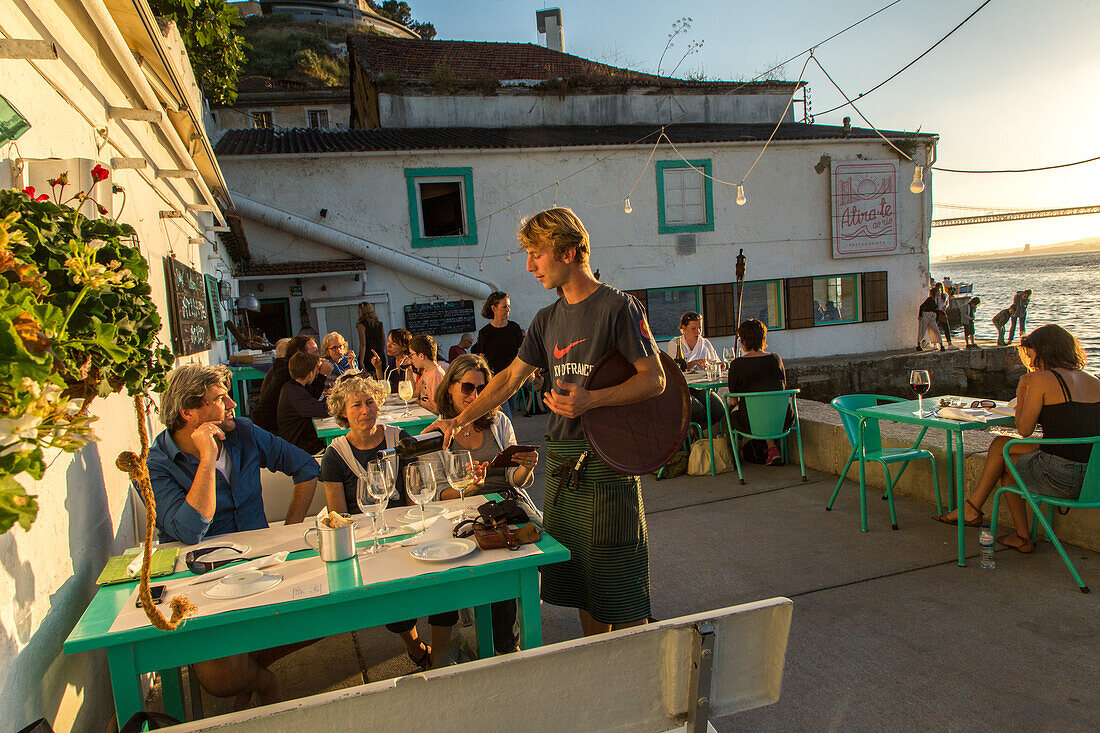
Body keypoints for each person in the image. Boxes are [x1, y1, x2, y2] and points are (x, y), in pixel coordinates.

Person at [429, 207, 665, 637]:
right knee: (579, 583)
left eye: (536, 254)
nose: (529, 265)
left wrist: (591, 399)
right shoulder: (546, 319)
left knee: (621, 583)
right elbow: (508, 379)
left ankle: (635, 676)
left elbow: (656, 380)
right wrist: (457, 419)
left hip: (606, 464)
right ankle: (597, 658)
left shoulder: (619, 307)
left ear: (569, 251)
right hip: (561, 464)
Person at [146, 363, 320, 707]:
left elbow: (306, 467)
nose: (233, 403)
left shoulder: (242, 432)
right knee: (217, 675)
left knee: (329, 608)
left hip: (263, 569)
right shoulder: (158, 464)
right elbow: (190, 530)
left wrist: (290, 529)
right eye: (220, 398)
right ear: (189, 412)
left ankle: (245, 671)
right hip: (202, 583)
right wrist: (208, 458)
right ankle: (263, 683)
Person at [319, 374, 455, 669]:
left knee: (441, 581)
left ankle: (442, 656)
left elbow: (415, 493)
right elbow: (338, 517)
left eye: (370, 402)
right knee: (393, 596)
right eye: (356, 405)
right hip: (369, 541)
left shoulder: (400, 439)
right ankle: (415, 644)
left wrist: (413, 534)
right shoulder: (335, 455)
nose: (365, 410)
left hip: (405, 529)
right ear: (342, 411)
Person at [933, 325, 1100, 552]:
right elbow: (1074, 432)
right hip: (1093, 478)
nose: (1032, 363)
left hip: (1062, 479)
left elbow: (1023, 430)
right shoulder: (1095, 380)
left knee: (1006, 463)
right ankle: (974, 510)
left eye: (1032, 356)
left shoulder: (1042, 378)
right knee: (1001, 445)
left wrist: (1023, 388)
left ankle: (1013, 531)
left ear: (1045, 352)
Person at [431, 354, 538, 655]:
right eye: (466, 387)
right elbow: (437, 494)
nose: (474, 396)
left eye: (482, 389)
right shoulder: (438, 431)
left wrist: (526, 468)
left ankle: (507, 645)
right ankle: (459, 650)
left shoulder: (498, 421)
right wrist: (473, 486)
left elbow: (515, 479)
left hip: (503, 509)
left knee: (504, 558)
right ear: (449, 387)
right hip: (456, 516)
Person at [727, 319, 793, 466]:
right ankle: (771, 447)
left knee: (731, 408)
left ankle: (737, 455)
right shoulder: (776, 359)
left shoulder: (737, 364)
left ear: (743, 340)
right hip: (781, 419)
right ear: (763, 338)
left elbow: (733, 400)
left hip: (750, 422)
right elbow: (781, 388)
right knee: (765, 405)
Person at [254, 335, 331, 434]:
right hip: (269, 429)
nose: (318, 356)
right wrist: (322, 375)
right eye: (314, 352)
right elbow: (311, 400)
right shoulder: (289, 375)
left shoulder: (285, 368)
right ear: (301, 354)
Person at [664, 311, 724, 428]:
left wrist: (719, 365)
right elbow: (676, 369)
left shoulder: (705, 343)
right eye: (693, 328)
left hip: (701, 386)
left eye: (699, 328)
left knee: (718, 408)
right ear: (684, 328)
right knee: (697, 408)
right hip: (683, 387)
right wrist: (694, 363)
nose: (698, 332)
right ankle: (695, 434)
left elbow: (717, 362)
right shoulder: (675, 344)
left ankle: (699, 433)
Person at [472, 291, 524, 418]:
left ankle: (503, 436)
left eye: (509, 306)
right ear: (494, 308)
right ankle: (509, 438)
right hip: (495, 380)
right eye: (504, 307)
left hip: (514, 377)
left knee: (510, 411)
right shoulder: (485, 332)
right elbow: (482, 358)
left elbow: (522, 352)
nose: (508, 310)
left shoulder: (514, 328)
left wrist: (529, 372)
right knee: (506, 414)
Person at [277, 352, 330, 455]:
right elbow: (322, 410)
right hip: (301, 449)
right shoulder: (294, 392)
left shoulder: (291, 387)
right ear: (310, 373)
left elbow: (313, 402)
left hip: (297, 443)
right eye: (316, 371)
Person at [408, 334, 447, 413]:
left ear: (421, 356)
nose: (410, 358)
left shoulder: (437, 375)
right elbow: (414, 393)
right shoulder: (426, 371)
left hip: (432, 419)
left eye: (411, 355)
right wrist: (409, 370)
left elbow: (439, 409)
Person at [371, 328, 412, 392]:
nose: (388, 345)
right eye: (388, 341)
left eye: (393, 344)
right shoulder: (392, 362)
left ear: (404, 347)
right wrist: (378, 368)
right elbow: (383, 386)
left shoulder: (411, 364)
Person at [356, 302, 386, 369]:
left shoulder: (361, 325)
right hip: (380, 355)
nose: (357, 312)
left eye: (359, 310)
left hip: (368, 356)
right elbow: (383, 341)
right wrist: (381, 354)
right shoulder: (379, 324)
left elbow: (363, 344)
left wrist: (361, 361)